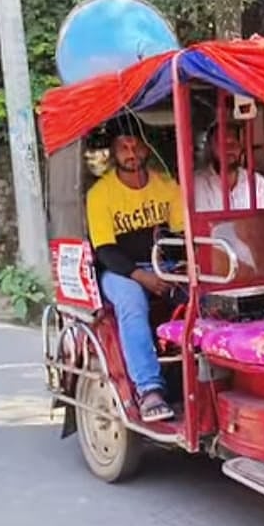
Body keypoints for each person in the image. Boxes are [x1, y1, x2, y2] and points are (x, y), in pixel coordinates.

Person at [85, 113, 183, 422]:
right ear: (114, 152)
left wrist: (176, 270)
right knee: (131, 303)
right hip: (121, 272)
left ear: (145, 149)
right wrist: (144, 277)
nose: (130, 153)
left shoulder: (167, 185)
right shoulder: (100, 194)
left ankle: (197, 378)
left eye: (135, 146)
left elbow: (179, 235)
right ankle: (149, 389)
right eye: (123, 147)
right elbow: (105, 250)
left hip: (163, 262)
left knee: (202, 294)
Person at [194, 125, 264, 212]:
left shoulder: (257, 182)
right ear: (210, 148)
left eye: (233, 144)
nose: (228, 149)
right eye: (222, 144)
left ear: (240, 147)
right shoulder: (197, 184)